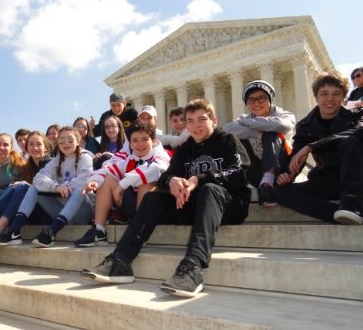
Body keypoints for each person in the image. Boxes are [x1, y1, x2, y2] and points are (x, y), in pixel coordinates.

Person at [80, 99, 251, 298]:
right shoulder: (186, 148)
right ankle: (120, 261)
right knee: (153, 199)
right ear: (186, 125)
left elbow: (240, 171)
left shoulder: (227, 140)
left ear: (213, 121)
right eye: (190, 121)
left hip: (230, 205)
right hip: (196, 206)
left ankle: (193, 267)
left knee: (209, 189)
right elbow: (165, 176)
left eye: (201, 119)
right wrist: (172, 182)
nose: (196, 125)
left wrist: (199, 179)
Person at [274, 71, 363, 225]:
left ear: (344, 98)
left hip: (356, 180)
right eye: (324, 94)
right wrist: (287, 174)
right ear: (316, 97)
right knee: (279, 192)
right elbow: (296, 157)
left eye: (336, 94)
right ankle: (338, 215)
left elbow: (357, 131)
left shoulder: (356, 116)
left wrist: (312, 146)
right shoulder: (304, 126)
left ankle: (353, 205)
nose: (330, 99)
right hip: (326, 180)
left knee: (349, 141)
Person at [74, 121, 170, 247]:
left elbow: (155, 169)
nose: (140, 144)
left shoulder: (161, 155)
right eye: (135, 140)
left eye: (144, 139)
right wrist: (94, 180)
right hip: (135, 209)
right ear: (129, 143)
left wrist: (123, 183)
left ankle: (139, 231)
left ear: (153, 140)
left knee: (147, 182)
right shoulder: (130, 160)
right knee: (106, 178)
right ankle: (99, 230)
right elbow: (108, 170)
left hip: (157, 210)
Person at [0, 126, 94, 248]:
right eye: (61, 140)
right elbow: (37, 179)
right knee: (33, 187)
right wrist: (56, 187)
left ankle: (51, 232)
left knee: (79, 189)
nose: (66, 143)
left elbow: (84, 179)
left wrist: (63, 187)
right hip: (62, 211)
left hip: (83, 212)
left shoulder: (85, 157)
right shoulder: (56, 161)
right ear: (57, 143)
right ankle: (14, 230)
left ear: (78, 141)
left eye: (70, 139)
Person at [0, 131, 53, 246]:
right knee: (16, 186)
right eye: (31, 144)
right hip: (28, 210)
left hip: (47, 210)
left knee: (21, 186)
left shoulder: (51, 163)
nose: (34, 148)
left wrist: (29, 186)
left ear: (46, 147)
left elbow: (51, 189)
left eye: (39, 144)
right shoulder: (28, 165)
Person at [223, 80, 295, 207]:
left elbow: (283, 125)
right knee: (238, 140)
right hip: (256, 172)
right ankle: (257, 184)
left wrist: (250, 123)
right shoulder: (244, 118)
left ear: (270, 99)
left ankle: (267, 184)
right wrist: (256, 132)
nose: (256, 103)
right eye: (251, 100)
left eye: (261, 98)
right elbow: (227, 129)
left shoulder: (285, 114)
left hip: (282, 170)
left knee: (271, 133)